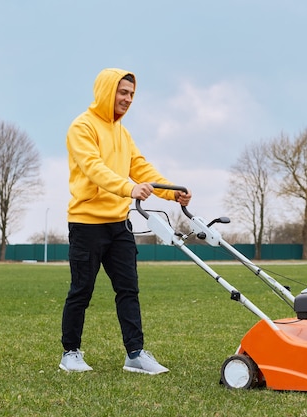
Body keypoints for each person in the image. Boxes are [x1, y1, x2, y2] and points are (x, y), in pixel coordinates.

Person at [59, 68, 191, 374]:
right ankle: (71, 353)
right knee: (81, 290)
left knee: (128, 290)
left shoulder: (122, 132)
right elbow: (94, 169)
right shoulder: (82, 127)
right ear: (107, 91)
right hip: (86, 224)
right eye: (122, 92)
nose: (128, 99)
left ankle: (135, 354)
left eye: (131, 94)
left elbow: (141, 168)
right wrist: (128, 188)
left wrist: (173, 193)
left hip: (119, 225)